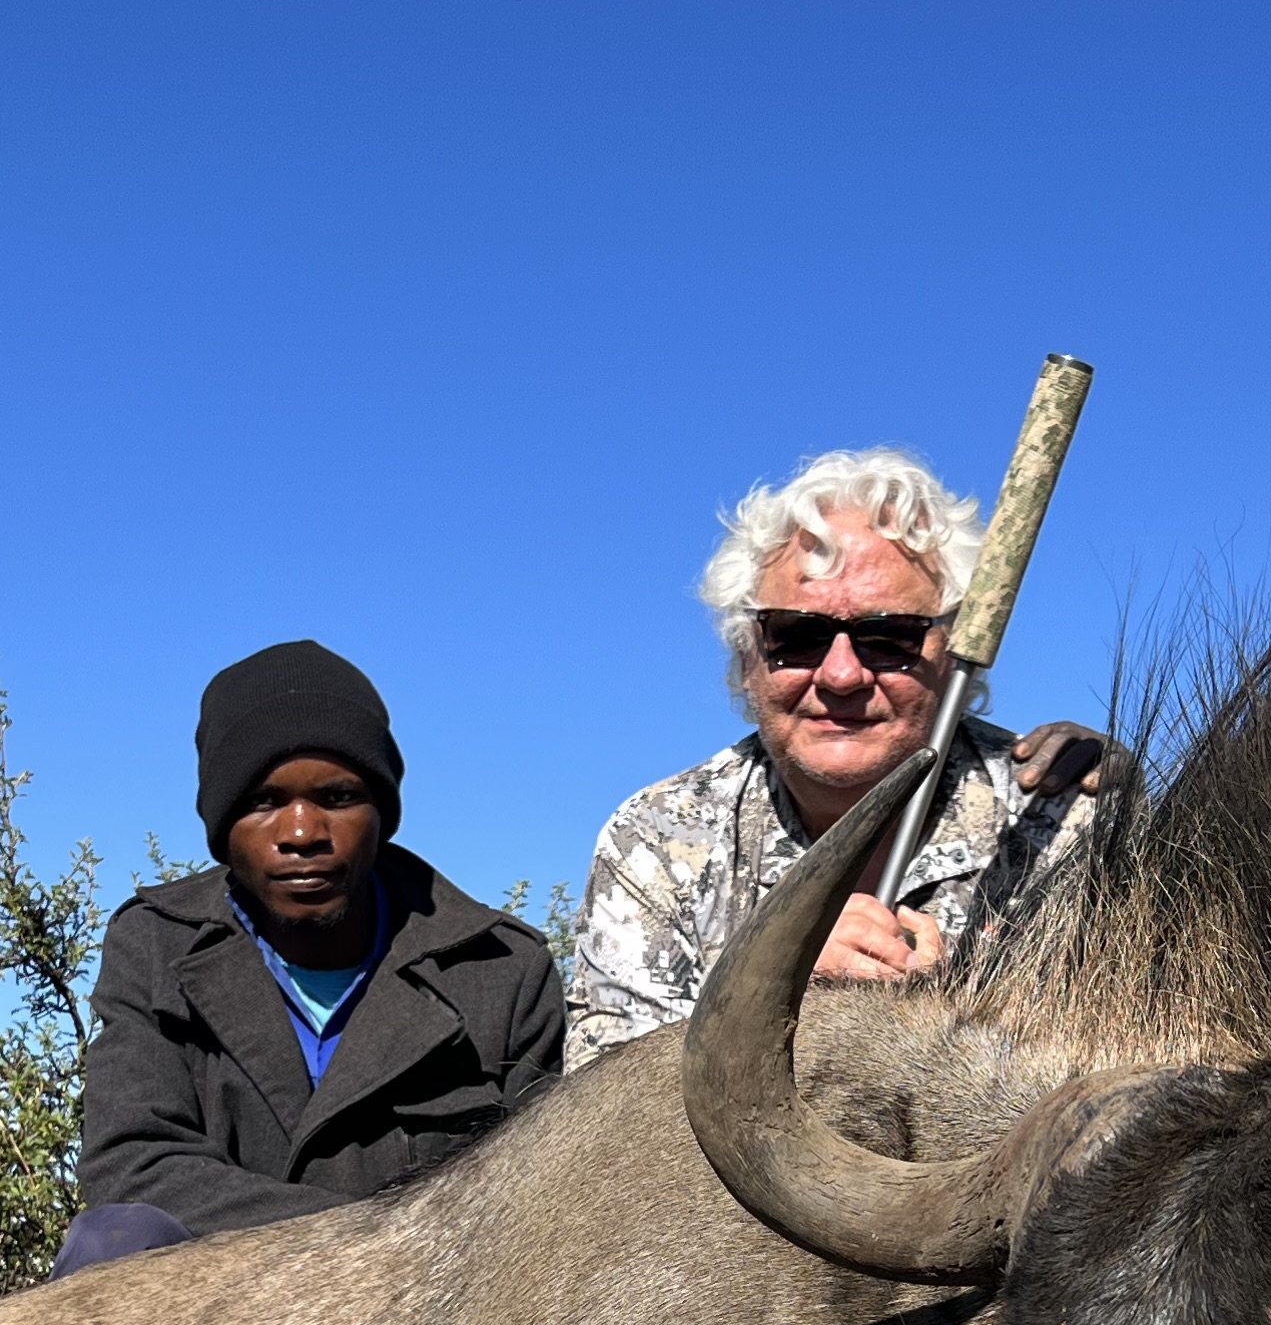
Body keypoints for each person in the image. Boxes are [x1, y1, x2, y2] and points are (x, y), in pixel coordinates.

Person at [567, 448, 1104, 1064]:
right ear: (748, 660)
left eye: (889, 637)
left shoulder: (1063, 821)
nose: (842, 674)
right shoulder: (656, 842)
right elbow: (602, 1116)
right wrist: (764, 998)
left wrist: (947, 1028)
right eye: (797, 636)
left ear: (955, 655)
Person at [58, 639, 565, 1272]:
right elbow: (132, 1166)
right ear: (221, 825)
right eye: (264, 802)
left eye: (337, 796)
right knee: (113, 1239)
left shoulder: (500, 970)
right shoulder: (156, 944)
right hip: (209, 1317)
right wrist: (368, 1241)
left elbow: (539, 1202)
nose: (302, 833)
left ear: (382, 812)